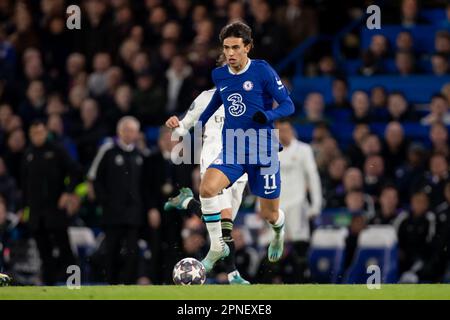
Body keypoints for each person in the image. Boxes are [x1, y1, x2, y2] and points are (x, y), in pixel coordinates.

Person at [194, 21, 295, 272]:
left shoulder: (262, 71)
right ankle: (217, 246)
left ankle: (279, 232)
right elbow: (218, 99)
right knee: (206, 188)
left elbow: (288, 104)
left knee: (269, 215)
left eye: (236, 47)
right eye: (226, 48)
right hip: (234, 148)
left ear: (248, 47)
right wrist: (198, 123)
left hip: (263, 150)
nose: (230, 53)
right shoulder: (220, 75)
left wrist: (268, 117)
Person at [164, 67, 250, 284]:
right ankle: (234, 275)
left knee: (224, 223)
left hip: (240, 166)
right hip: (214, 162)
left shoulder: (248, 97)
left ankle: (188, 203)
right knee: (224, 222)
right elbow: (183, 128)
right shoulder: (206, 98)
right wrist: (176, 125)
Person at [21, 120, 82, 285]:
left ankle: (74, 284)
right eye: (34, 133)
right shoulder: (28, 154)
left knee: (65, 249)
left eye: (40, 132)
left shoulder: (57, 150)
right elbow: (24, 184)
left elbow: (76, 171)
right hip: (35, 211)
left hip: (55, 209)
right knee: (43, 251)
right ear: (30, 135)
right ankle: (49, 286)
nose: (38, 136)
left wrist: (68, 193)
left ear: (46, 132)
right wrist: (23, 207)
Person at [87, 116, 145, 284]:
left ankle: (129, 284)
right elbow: (94, 177)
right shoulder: (108, 150)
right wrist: (104, 200)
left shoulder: (140, 154)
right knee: (111, 249)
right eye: (127, 130)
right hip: (112, 213)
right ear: (119, 131)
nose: (130, 134)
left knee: (132, 250)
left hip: (134, 213)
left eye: (133, 131)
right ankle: (111, 283)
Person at [275, 117, 322, 282]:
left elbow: (313, 177)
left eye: (286, 130)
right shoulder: (271, 151)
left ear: (292, 130)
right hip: (278, 206)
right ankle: (277, 283)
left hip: (298, 204)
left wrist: (316, 205)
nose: (283, 134)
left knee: (300, 246)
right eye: (280, 131)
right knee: (276, 248)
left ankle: (302, 281)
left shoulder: (303, 150)